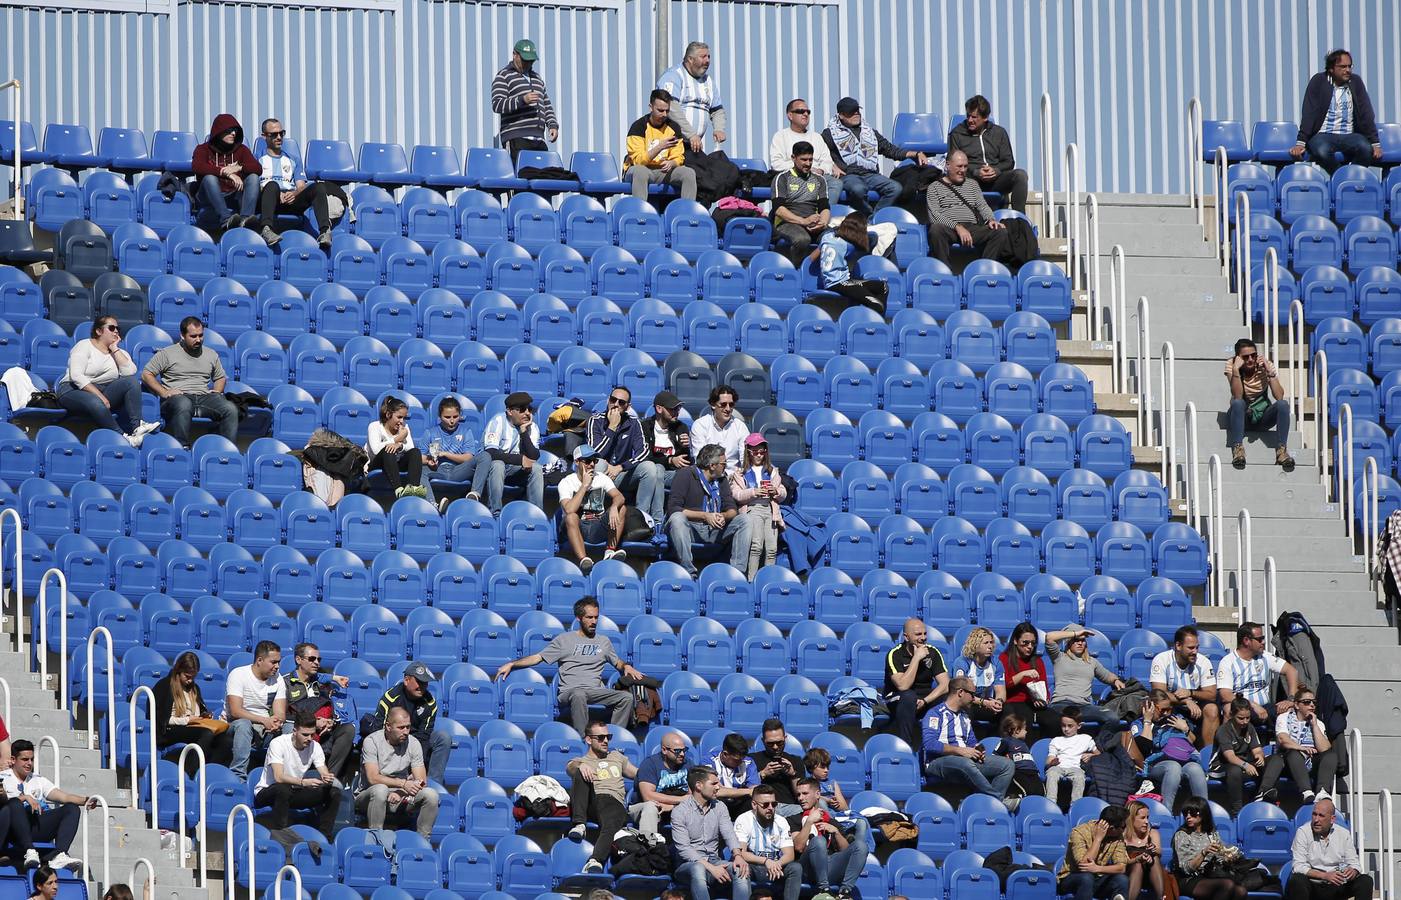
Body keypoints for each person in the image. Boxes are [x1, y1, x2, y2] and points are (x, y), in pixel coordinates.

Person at [494, 597, 642, 734]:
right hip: (570, 692)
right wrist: (512, 664)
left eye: (596, 617)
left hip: (595, 691)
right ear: (579, 618)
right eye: (589, 617)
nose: (594, 621)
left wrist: (626, 667)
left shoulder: (604, 641)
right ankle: (585, 738)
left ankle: (612, 738)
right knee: (579, 694)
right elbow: (538, 657)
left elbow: (617, 662)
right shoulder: (564, 640)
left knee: (626, 697)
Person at [55, 317, 159, 447]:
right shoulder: (84, 345)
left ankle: (137, 426)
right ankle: (123, 437)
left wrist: (115, 348)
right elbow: (76, 376)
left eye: (117, 329)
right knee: (95, 401)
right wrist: (99, 396)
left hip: (103, 391)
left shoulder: (119, 353)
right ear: (99, 331)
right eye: (111, 328)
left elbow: (130, 373)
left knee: (131, 382)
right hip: (72, 389)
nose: (116, 331)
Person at [1, 739, 99, 871]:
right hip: (12, 830)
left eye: (31, 759)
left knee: (71, 808)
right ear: (13, 760)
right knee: (14, 804)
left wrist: (85, 800)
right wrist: (24, 797)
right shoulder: (3, 778)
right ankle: (29, 851)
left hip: (35, 825)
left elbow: (63, 796)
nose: (29, 763)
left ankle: (59, 854)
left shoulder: (38, 779)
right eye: (25, 759)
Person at [141, 316, 239, 447]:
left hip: (204, 397)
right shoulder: (167, 353)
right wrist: (164, 392)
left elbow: (220, 377)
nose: (198, 339)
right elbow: (146, 374)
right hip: (178, 398)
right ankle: (182, 447)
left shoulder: (211, 354)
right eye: (193, 336)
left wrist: (218, 390)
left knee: (230, 409)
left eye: (201, 335)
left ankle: (227, 449)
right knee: (183, 403)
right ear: (182, 335)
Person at [821, 96, 926, 216]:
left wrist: (916, 153)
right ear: (841, 115)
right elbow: (820, 153)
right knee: (858, 190)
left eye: (857, 110)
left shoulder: (869, 132)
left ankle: (874, 218)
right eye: (851, 112)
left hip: (871, 174)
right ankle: (867, 214)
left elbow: (891, 150)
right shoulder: (830, 134)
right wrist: (832, 165)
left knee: (895, 188)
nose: (856, 114)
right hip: (848, 175)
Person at [253, 117, 344, 249]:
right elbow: (253, 185)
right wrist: (276, 193)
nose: (279, 137)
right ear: (264, 136)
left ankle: (325, 232)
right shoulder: (256, 158)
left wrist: (293, 194)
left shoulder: (293, 159)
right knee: (272, 186)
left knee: (318, 187)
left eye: (281, 133)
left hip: (290, 201)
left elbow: (301, 186)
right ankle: (266, 230)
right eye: (273, 134)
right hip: (267, 199)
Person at [665, 443, 755, 577]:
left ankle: (737, 574)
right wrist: (705, 516)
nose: (726, 467)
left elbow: (732, 509)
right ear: (712, 466)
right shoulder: (685, 474)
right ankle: (688, 572)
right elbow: (674, 508)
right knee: (677, 518)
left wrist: (723, 516)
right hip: (690, 528)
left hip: (714, 529)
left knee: (745, 519)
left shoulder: (722, 479)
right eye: (723, 463)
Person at [1290, 49, 1383, 175]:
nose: (1348, 70)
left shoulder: (1356, 82)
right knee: (1321, 151)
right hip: (1323, 135)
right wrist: (1300, 142)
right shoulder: (1318, 81)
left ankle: (1352, 177)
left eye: (1350, 66)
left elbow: (1366, 114)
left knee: (1366, 149)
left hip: (1349, 135)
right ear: (1331, 69)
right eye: (1343, 67)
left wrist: (1374, 143)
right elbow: (1309, 113)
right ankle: (1341, 178)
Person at [923, 676, 1015, 802]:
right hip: (937, 762)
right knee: (966, 763)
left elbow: (971, 741)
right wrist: (961, 751)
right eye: (972, 694)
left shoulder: (965, 716)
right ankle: (998, 801)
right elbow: (930, 744)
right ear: (960, 692)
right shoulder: (935, 713)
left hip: (965, 760)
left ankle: (987, 806)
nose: (973, 698)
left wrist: (977, 750)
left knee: (1007, 765)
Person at [354, 707, 439, 839]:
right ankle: (376, 838)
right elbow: (372, 778)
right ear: (388, 726)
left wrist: (401, 792)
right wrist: (403, 784)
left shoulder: (413, 743)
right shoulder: (371, 742)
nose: (406, 732)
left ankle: (423, 842)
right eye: (401, 728)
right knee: (380, 790)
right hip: (369, 794)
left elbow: (422, 781)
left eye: (408, 727)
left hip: (400, 795)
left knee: (431, 795)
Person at [584, 384, 658, 534]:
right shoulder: (595, 420)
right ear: (608, 400)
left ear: (628, 406)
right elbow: (594, 453)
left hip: (620, 475)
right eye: (613, 400)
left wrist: (621, 467)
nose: (616, 404)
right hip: (601, 475)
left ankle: (639, 519)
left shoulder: (634, 422)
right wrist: (611, 428)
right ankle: (592, 517)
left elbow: (643, 451)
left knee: (650, 467)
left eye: (621, 402)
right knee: (598, 465)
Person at [566, 722, 638, 874]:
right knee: (580, 773)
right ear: (588, 740)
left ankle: (595, 861)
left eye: (608, 737)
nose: (605, 741)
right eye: (600, 737)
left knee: (613, 819)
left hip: (613, 802)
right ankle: (580, 824)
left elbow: (638, 774)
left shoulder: (616, 757)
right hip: (592, 801)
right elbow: (570, 767)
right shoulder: (581, 760)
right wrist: (580, 765)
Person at [253, 710, 339, 835]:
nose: (309, 739)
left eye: (312, 734)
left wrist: (327, 778)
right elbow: (279, 777)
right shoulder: (278, 743)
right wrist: (303, 782)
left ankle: (324, 836)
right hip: (268, 792)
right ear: (294, 731)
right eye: (305, 734)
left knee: (333, 792)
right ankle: (281, 835)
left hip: (293, 792)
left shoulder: (315, 746)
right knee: (283, 788)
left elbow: (323, 770)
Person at [671, 766, 749, 900]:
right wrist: (711, 868)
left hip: (715, 860)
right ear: (699, 786)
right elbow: (684, 850)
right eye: (714, 783)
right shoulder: (679, 812)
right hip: (688, 865)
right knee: (698, 868)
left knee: (739, 868)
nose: (718, 787)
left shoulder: (720, 806)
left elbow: (729, 833)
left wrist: (737, 855)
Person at [925, 150, 1014, 265]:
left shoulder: (972, 184)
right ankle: (945, 272)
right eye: (959, 166)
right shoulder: (934, 187)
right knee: (935, 230)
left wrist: (991, 219)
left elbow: (982, 205)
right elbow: (934, 215)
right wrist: (957, 227)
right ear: (948, 165)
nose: (962, 170)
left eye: (965, 166)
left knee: (1000, 231)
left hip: (972, 228)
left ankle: (984, 269)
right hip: (949, 228)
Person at [283, 642, 356, 783]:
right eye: (311, 659)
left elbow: (328, 709)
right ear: (298, 660)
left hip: (322, 731)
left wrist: (331, 722)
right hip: (298, 728)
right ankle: (292, 777)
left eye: (318, 659)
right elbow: (284, 714)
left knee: (348, 729)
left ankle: (329, 777)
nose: (316, 662)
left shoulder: (321, 684)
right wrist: (313, 722)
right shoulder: (285, 683)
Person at [371, 661, 451, 786]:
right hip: (392, 739)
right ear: (406, 680)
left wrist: (416, 768)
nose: (422, 686)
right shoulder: (390, 698)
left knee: (443, 738)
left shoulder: (430, 703)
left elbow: (424, 737)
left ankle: (433, 785)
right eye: (419, 682)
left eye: (425, 683)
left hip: (415, 741)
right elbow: (378, 732)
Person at [153, 651, 233, 773]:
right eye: (187, 676)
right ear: (178, 672)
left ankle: (210, 771)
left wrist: (203, 715)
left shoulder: (194, 688)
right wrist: (187, 720)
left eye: (193, 677)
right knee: (206, 734)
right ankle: (191, 772)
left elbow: (198, 711)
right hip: (170, 729)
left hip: (192, 726)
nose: (190, 680)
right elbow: (161, 720)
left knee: (226, 740)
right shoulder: (164, 686)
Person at [946, 95, 1029, 212]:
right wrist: (976, 172)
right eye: (968, 116)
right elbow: (953, 164)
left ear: (985, 118)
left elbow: (1009, 162)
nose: (970, 120)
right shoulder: (957, 134)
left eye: (974, 117)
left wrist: (996, 171)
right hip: (970, 181)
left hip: (996, 180)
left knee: (1020, 175)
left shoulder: (999, 133)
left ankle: (1020, 219)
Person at [1129, 689, 1208, 812]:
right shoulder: (1138, 724)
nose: (1166, 713)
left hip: (1183, 760)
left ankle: (1203, 812)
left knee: (1195, 768)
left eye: (1169, 709)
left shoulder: (1176, 719)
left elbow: (1192, 742)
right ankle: (1166, 812)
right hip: (1156, 765)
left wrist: (1185, 729)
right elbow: (1144, 748)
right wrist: (1147, 721)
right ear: (1150, 707)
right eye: (1162, 710)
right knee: (1173, 766)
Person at [1225, 338, 1294, 471]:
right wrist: (1235, 370)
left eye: (1254, 355)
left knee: (1283, 405)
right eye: (1245, 357)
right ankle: (1238, 449)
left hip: (1262, 417)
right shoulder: (1232, 365)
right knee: (1237, 403)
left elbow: (1279, 396)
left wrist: (1270, 374)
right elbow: (1237, 395)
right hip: (1241, 417)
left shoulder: (1265, 366)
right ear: (1238, 357)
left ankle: (1281, 451)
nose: (1250, 359)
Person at [557, 444, 629, 573]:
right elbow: (569, 510)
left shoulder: (601, 478)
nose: (591, 465)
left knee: (621, 508)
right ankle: (583, 560)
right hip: (577, 527)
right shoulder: (566, 482)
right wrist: (584, 486)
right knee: (571, 516)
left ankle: (610, 552)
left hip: (597, 525)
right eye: (587, 461)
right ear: (577, 462)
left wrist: (613, 506)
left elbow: (619, 497)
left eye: (594, 461)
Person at [470, 390, 544, 513]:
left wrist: (524, 432)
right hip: (490, 470)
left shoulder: (532, 426)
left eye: (529, 409)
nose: (527, 413)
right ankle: (495, 511)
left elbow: (534, 456)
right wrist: (520, 459)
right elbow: (491, 452)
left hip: (515, 471)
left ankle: (536, 514)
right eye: (521, 409)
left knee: (536, 468)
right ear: (510, 411)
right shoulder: (498, 421)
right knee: (498, 464)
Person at [1150, 625, 1222, 749]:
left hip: (1196, 708)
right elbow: (1159, 693)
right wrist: (1185, 701)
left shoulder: (1203, 662)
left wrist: (1191, 693)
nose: (1195, 651)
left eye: (1197, 647)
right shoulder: (1162, 660)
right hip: (1172, 707)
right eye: (1191, 648)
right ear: (1178, 646)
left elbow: (1211, 694)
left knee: (1212, 709)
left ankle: (1208, 757)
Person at [225, 641, 288, 781]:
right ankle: (238, 776)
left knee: (290, 728)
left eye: (279, 662)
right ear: (259, 660)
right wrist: (264, 720)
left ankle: (286, 776)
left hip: (264, 729)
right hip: (234, 726)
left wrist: (277, 721)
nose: (277, 666)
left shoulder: (278, 679)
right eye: (273, 662)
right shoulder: (238, 674)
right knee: (244, 724)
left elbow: (280, 713)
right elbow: (235, 712)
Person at [1288, 796, 1372, 900]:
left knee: (1365, 880)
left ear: (1332, 819)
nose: (1316, 819)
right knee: (1297, 880)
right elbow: (1298, 866)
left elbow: (1355, 863)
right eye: (1314, 814)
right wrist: (1325, 875)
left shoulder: (1343, 834)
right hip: (1313, 884)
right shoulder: (1303, 832)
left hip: (1337, 884)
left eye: (1321, 816)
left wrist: (1353, 871)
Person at [884, 618, 951, 750]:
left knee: (949, 699)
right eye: (918, 634)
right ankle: (906, 746)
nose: (923, 638)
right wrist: (916, 658)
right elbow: (902, 686)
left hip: (924, 699)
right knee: (908, 696)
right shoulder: (895, 654)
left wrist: (925, 701)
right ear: (906, 637)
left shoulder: (933, 652)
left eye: (925, 634)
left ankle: (944, 746)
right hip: (898, 698)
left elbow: (945, 685)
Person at [1217, 620, 1300, 724]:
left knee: (1290, 711)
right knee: (1228, 709)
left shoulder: (1265, 656)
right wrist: (1252, 705)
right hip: (1242, 708)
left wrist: (1291, 700)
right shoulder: (1228, 662)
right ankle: (1228, 740)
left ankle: (1287, 740)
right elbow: (1225, 695)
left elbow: (1292, 671)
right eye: (1260, 639)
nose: (1263, 642)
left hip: (1265, 707)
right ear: (1246, 641)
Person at [490, 38, 559, 163]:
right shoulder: (503, 76)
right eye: (524, 60)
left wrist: (552, 125)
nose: (528, 64)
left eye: (531, 61)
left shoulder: (537, 78)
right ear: (515, 55)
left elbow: (546, 104)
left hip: (539, 140)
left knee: (544, 177)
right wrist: (522, 100)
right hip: (516, 138)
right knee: (521, 176)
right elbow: (497, 104)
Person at [727, 434, 786, 578]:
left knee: (772, 549)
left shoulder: (772, 471)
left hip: (770, 510)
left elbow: (783, 493)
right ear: (748, 452)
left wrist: (776, 491)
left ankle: (768, 581)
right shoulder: (740, 473)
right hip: (752, 509)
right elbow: (737, 495)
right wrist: (754, 492)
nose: (759, 455)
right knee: (756, 547)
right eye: (755, 452)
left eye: (762, 451)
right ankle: (751, 581)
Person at [1044, 625, 1124, 731]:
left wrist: (1115, 680)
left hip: (1084, 707)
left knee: (1112, 718)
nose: (1080, 643)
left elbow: (1106, 675)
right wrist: (1076, 633)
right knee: (1064, 719)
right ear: (1068, 642)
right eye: (1076, 640)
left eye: (1083, 640)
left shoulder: (1092, 662)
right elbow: (1049, 637)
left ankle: (1099, 746)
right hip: (1062, 704)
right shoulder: (1059, 657)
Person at [1215, 696, 1284, 815]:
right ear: (1231, 714)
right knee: (1234, 770)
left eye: (1248, 718)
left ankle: (1262, 792)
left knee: (1276, 759)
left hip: (1245, 764)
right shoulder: (1223, 730)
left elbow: (1257, 749)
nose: (1245, 721)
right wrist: (1245, 765)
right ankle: (1237, 811)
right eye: (1241, 718)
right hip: (1223, 766)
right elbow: (1230, 757)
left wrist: (1259, 756)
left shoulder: (1249, 727)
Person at [191, 113, 261, 231]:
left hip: (232, 194)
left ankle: (245, 220)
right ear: (219, 131)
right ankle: (226, 220)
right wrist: (226, 172)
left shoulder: (242, 150)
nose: (233, 134)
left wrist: (239, 168)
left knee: (253, 177)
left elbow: (258, 168)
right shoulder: (203, 149)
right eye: (229, 131)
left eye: (235, 131)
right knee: (209, 178)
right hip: (208, 195)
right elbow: (197, 166)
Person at [625, 90, 698, 201]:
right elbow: (638, 161)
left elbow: (679, 157)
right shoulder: (638, 127)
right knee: (641, 171)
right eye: (660, 110)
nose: (664, 115)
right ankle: (640, 214)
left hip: (663, 172)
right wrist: (660, 147)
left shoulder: (674, 127)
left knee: (688, 173)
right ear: (651, 107)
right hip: (640, 170)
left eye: (667, 111)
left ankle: (687, 213)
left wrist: (672, 163)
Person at [732, 785, 802, 900]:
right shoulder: (744, 819)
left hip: (775, 867)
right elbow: (741, 853)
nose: (770, 808)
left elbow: (790, 855)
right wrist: (766, 861)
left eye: (774, 804)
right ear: (754, 805)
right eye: (765, 805)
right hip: (753, 867)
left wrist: (777, 863)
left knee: (795, 868)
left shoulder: (781, 821)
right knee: (740, 868)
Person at [1273, 686, 1342, 803]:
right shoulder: (1284, 718)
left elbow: (1324, 749)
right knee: (1293, 753)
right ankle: (1306, 791)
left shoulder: (1318, 723)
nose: (1312, 705)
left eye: (1314, 702)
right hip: (1290, 764)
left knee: (1331, 755)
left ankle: (1322, 791)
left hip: (1311, 762)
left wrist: (1314, 725)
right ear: (1296, 705)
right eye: (1306, 702)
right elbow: (1283, 739)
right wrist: (1302, 749)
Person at [1172, 796, 1249, 900]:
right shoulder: (1182, 835)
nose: (1188, 817)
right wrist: (1203, 853)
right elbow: (1186, 869)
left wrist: (1228, 856)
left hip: (1210, 875)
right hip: (1189, 879)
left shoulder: (1211, 834)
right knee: (1227, 885)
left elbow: (1219, 859)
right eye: (1186, 813)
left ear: (1203, 813)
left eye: (1193, 814)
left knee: (1241, 891)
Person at [656, 41, 727, 152]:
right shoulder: (673, 76)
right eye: (703, 57)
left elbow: (717, 110)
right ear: (690, 59)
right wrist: (691, 134)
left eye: (709, 57)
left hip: (694, 146)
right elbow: (671, 109)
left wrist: (719, 129)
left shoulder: (708, 82)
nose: (707, 60)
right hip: (672, 145)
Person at [769, 98, 844, 200]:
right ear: (790, 115)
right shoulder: (780, 136)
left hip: (817, 176)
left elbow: (827, 160)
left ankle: (823, 214)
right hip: (793, 176)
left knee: (836, 184)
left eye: (808, 112)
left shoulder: (816, 137)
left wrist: (821, 170)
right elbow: (777, 164)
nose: (805, 114)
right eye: (800, 111)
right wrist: (801, 167)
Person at [769, 141, 830, 266]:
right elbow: (779, 209)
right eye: (804, 159)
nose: (808, 163)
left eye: (810, 159)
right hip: (788, 223)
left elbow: (825, 207)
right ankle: (797, 273)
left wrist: (822, 223)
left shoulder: (819, 179)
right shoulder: (782, 178)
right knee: (802, 239)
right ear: (793, 158)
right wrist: (803, 221)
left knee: (834, 238)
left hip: (813, 224)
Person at [636, 389, 692, 527]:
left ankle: (653, 521)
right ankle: (656, 521)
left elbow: (686, 461)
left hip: (674, 474)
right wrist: (669, 460)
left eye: (678, 408)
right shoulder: (644, 427)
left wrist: (686, 448)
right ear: (659, 409)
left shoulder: (681, 427)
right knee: (658, 469)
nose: (677, 412)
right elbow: (644, 456)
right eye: (672, 409)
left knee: (664, 470)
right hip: (650, 473)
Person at [816, 213, 888, 314]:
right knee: (876, 304)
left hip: (839, 281)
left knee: (882, 286)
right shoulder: (848, 245)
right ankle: (871, 326)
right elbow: (872, 240)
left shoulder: (827, 237)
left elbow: (812, 257)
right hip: (838, 282)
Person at [1058, 806, 1130, 900]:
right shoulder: (1079, 832)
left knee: (1122, 880)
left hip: (1097, 879)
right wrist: (1098, 839)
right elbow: (1084, 865)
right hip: (1072, 877)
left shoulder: (1117, 837)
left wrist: (1097, 868)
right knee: (1087, 878)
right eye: (1123, 827)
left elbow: (1121, 867)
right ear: (1111, 828)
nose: (1124, 830)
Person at [629, 729, 690, 838]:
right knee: (651, 806)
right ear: (664, 750)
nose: (682, 754)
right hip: (644, 808)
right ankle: (649, 848)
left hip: (676, 809)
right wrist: (682, 800)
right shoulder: (650, 764)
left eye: (684, 750)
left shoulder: (688, 764)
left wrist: (672, 806)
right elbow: (648, 796)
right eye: (677, 751)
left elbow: (694, 795)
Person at [423, 396, 480, 506]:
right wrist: (429, 460)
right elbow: (420, 457)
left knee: (484, 457)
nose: (452, 421)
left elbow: (469, 457)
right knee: (418, 468)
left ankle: (474, 496)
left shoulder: (466, 431)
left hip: (459, 470)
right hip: (437, 469)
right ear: (440, 416)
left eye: (455, 416)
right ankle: (432, 504)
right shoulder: (430, 433)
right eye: (447, 417)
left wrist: (445, 454)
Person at [368, 395, 427, 499]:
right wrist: (397, 439)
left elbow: (411, 449)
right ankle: (399, 490)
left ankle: (413, 488)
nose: (402, 421)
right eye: (399, 417)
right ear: (388, 414)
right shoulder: (375, 426)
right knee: (388, 450)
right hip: (376, 464)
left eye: (404, 418)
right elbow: (376, 450)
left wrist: (399, 445)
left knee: (415, 452)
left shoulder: (405, 428)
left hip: (396, 463)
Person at [999, 622, 1050, 736]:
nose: (1030, 646)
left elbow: (1044, 687)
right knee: (1025, 719)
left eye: (1033, 643)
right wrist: (1022, 674)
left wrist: (1043, 700)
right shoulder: (1004, 659)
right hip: (1011, 702)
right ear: (1015, 641)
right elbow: (1003, 685)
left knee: (1055, 720)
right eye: (1025, 643)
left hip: (1031, 702)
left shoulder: (1037, 661)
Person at [951, 626, 1006, 727]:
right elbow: (961, 693)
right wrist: (984, 703)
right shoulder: (962, 662)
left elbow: (1001, 690)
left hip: (987, 704)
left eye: (991, 642)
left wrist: (998, 702)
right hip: (967, 704)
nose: (990, 646)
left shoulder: (996, 663)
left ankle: (994, 741)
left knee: (1007, 712)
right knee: (965, 712)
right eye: (986, 643)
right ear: (975, 645)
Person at [1046, 707, 1099, 809]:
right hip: (1059, 766)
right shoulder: (1056, 740)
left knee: (1079, 777)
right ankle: (1051, 805)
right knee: (1052, 773)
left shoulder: (1086, 739)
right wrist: (1051, 763)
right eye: (1063, 725)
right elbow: (1049, 759)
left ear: (1079, 726)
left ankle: (1075, 807)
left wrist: (1091, 755)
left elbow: (1100, 754)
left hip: (1075, 768)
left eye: (1070, 726)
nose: (1066, 729)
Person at [751, 719, 806, 818]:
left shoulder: (796, 760)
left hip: (790, 808)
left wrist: (792, 775)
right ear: (763, 741)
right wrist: (762, 774)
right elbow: (745, 788)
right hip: (764, 807)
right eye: (770, 744)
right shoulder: (752, 760)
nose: (775, 747)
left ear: (785, 738)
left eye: (779, 743)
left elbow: (801, 796)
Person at [689, 385, 749, 470]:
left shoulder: (740, 426)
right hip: (709, 476)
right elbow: (700, 461)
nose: (728, 409)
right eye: (723, 404)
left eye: (731, 404)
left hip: (734, 476)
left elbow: (745, 459)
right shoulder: (700, 425)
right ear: (713, 405)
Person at [1121, 800, 1167, 900]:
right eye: (1142, 818)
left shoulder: (1152, 833)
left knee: (1154, 858)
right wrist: (1138, 858)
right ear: (1131, 819)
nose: (1146, 821)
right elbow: (1121, 860)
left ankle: (1161, 897)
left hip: (1150, 876)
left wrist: (1153, 850)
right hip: (1128, 873)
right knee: (1137, 865)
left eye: (1147, 817)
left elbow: (1159, 851)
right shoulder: (1121, 836)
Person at [710, 732, 761, 819]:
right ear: (725, 754)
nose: (740, 762)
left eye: (742, 759)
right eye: (736, 760)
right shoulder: (709, 761)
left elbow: (755, 790)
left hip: (740, 804)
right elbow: (716, 791)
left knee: (756, 801)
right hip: (718, 805)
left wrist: (750, 792)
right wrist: (747, 791)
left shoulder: (748, 762)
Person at [995, 713, 1044, 799]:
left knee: (1041, 792)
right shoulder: (1006, 741)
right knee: (1028, 791)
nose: (1026, 731)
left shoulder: (1023, 743)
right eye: (1025, 729)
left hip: (1033, 772)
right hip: (1019, 772)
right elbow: (995, 756)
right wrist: (1005, 760)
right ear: (1017, 730)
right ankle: (1015, 798)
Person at [802, 748, 848, 812]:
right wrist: (827, 800)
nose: (826, 770)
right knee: (821, 802)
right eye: (822, 767)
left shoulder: (832, 783)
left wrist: (835, 803)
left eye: (827, 767)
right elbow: (808, 799)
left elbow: (845, 808)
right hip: (819, 816)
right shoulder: (807, 784)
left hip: (836, 816)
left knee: (860, 821)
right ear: (811, 767)